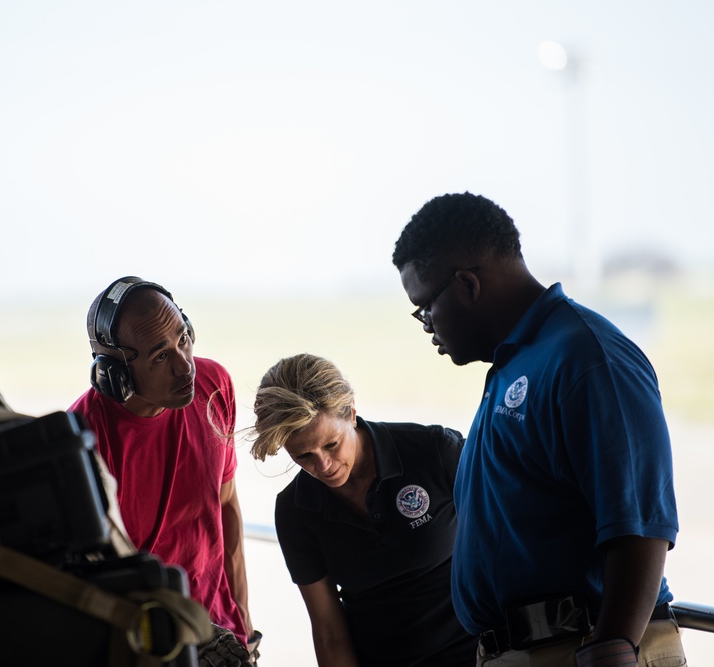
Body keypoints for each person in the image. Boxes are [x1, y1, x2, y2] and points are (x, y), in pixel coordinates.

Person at [391, 192, 686, 666]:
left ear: (467, 284)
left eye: (424, 307)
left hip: (584, 645)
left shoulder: (586, 359)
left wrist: (614, 646)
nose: (426, 325)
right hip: (526, 649)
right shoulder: (515, 362)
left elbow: (639, 525)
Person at [69, 276, 258, 664]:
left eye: (183, 338)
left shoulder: (214, 384)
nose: (184, 364)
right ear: (114, 375)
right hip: (148, 646)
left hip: (225, 634)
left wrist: (244, 624)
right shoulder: (81, 437)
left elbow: (226, 506)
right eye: (160, 356)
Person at [248, 352, 476, 666]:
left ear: (352, 413)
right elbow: (329, 630)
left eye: (331, 445)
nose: (323, 466)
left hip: (478, 652)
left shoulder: (435, 450)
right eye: (304, 456)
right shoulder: (294, 510)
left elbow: (507, 539)